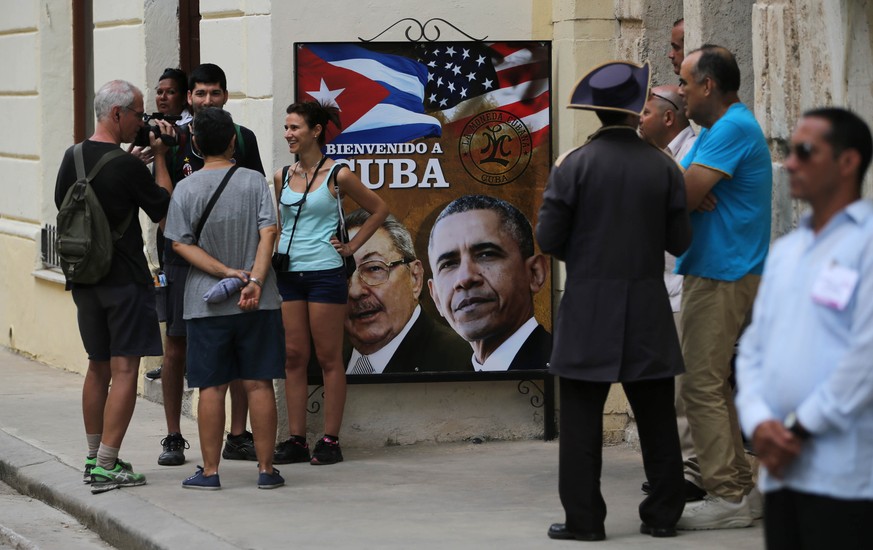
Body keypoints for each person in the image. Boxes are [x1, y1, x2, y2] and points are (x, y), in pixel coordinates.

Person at [536, 61, 691, 541]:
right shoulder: (664, 166)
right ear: (633, 112)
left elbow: (547, 236)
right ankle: (664, 516)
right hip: (647, 302)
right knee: (659, 420)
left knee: (581, 423)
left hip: (587, 306)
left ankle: (585, 521)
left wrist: (585, 260)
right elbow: (680, 240)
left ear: (597, 112)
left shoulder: (573, 165)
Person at [736, 108, 873, 549]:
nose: (790, 163)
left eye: (805, 152)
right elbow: (755, 346)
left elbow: (864, 356)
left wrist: (796, 429)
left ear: (848, 162)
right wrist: (758, 421)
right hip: (781, 471)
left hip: (844, 472)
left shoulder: (866, 245)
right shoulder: (787, 252)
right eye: (790, 151)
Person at [53, 80, 174, 494]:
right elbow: (164, 209)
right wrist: (157, 157)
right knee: (124, 370)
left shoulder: (71, 157)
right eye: (138, 114)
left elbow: (66, 203)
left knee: (97, 365)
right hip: (124, 280)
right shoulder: (124, 166)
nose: (142, 122)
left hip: (85, 279)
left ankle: (93, 455)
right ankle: (106, 465)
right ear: (117, 114)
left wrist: (130, 164)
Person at [675, 45, 772, 529]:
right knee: (713, 384)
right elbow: (679, 187)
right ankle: (741, 488)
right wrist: (688, 190)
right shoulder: (716, 131)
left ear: (709, 85)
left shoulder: (730, 128)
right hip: (721, 269)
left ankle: (728, 498)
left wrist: (690, 191)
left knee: (699, 384)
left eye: (687, 83)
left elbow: (680, 196)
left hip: (722, 272)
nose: (680, 91)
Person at [163, 107, 285, 490]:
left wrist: (226, 273)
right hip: (258, 301)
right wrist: (254, 280)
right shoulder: (253, 182)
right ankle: (266, 470)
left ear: (196, 144)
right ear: (234, 141)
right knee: (259, 384)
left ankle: (211, 472)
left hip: (206, 302)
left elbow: (181, 244)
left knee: (211, 387)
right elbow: (270, 232)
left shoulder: (185, 189)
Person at [156, 63, 267, 466]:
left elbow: (255, 199)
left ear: (225, 95)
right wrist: (158, 153)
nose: (207, 100)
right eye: (200, 93)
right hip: (181, 256)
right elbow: (162, 207)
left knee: (236, 343)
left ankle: (237, 436)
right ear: (189, 97)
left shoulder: (243, 139)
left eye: (214, 93)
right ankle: (172, 435)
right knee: (177, 346)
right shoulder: (173, 138)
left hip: (234, 256)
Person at [273, 101, 388, 466]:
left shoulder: (340, 174)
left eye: (295, 128)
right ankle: (295, 439)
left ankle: (330, 439)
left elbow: (380, 209)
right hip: (289, 274)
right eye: (286, 128)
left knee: (328, 357)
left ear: (316, 130)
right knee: (293, 357)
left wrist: (352, 246)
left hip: (325, 273)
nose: (288, 134)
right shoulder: (281, 176)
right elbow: (279, 225)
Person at [638, 84, 705, 502]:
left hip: (684, 283)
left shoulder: (690, 151)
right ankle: (672, 468)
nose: (638, 119)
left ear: (668, 117)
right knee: (664, 385)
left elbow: (683, 203)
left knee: (685, 389)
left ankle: (692, 473)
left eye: (645, 112)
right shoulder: (659, 158)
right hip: (660, 284)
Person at [427, 195, 551, 372]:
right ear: (436, 297)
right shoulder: (440, 390)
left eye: (486, 254)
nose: (465, 278)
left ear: (534, 273)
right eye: (448, 264)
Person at [343, 209, 471, 375]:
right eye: (339, 274)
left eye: (374, 268)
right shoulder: (314, 366)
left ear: (415, 277)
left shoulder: (464, 362)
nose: (355, 291)